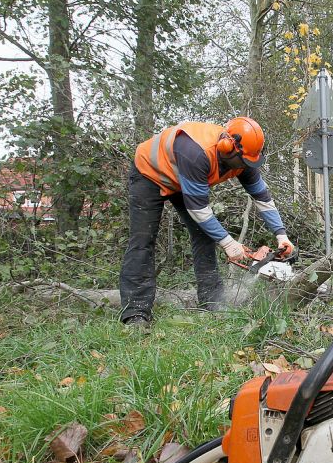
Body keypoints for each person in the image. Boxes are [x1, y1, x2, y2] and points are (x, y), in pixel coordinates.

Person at [119, 117, 295, 326]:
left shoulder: (244, 157)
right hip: (149, 173)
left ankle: (212, 302)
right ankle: (135, 312)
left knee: (205, 235)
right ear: (227, 147)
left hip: (182, 178)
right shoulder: (196, 153)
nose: (245, 166)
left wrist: (281, 235)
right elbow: (198, 208)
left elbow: (263, 198)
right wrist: (229, 244)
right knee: (143, 240)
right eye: (243, 161)